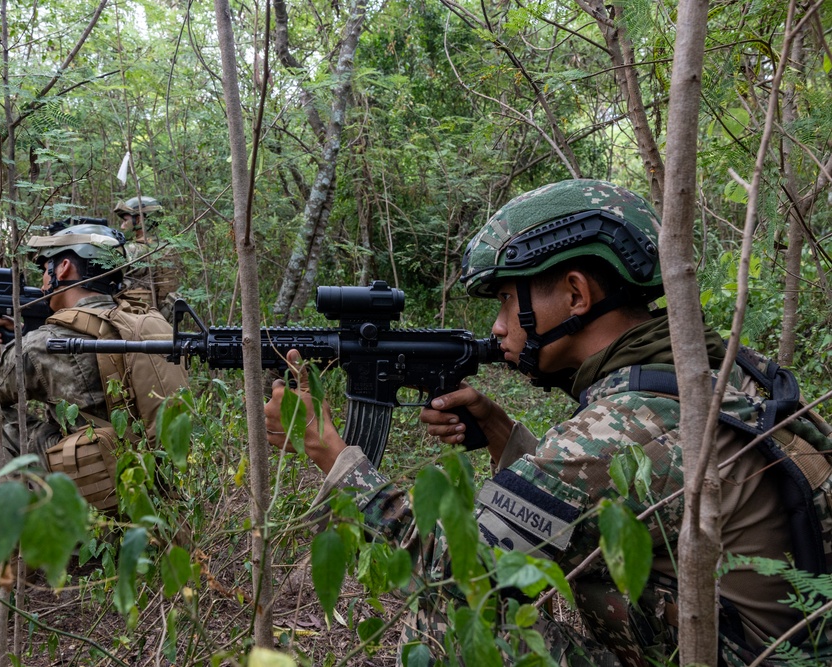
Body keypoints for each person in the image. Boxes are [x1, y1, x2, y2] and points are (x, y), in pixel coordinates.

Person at [263, 179, 825, 665]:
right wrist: (504, 435)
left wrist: (334, 456)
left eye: (508, 300)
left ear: (577, 294)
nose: (500, 327)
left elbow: (454, 570)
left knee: (455, 628)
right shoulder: (717, 368)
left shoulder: (623, 426)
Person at [0, 223, 144, 592]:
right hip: (147, 474)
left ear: (66, 268)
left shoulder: (46, 343)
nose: (43, 277)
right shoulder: (142, 322)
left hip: (97, 474)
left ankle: (2, 560)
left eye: (47, 266)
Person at [113, 195, 183, 321]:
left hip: (138, 320)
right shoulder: (168, 248)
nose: (122, 226)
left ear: (139, 220)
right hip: (161, 322)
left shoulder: (136, 250)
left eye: (125, 220)